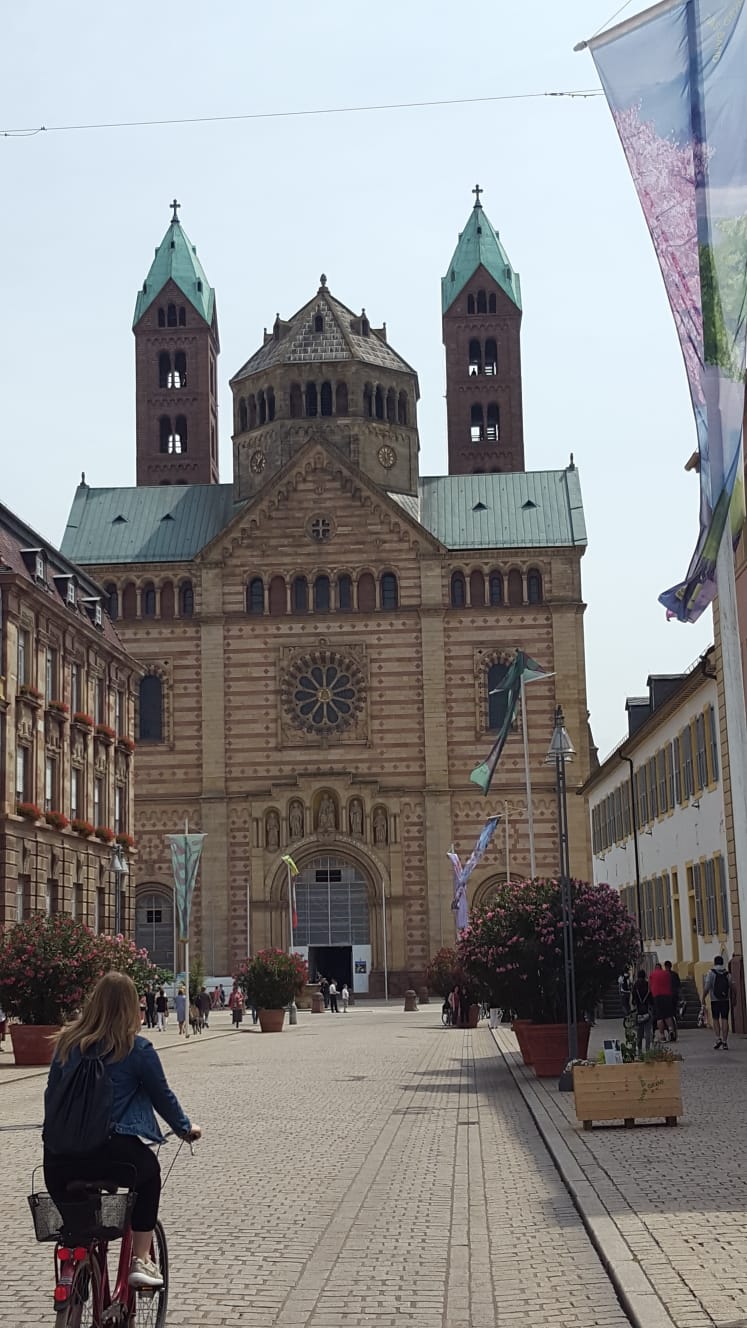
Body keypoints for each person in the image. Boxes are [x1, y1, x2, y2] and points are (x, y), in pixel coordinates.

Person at [43, 972, 201, 1291]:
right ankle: (141, 1258)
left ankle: (77, 1266)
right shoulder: (137, 1049)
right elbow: (162, 1097)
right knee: (149, 1174)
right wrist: (185, 1128)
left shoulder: (65, 1044)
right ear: (132, 1008)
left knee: (77, 1225)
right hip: (112, 1154)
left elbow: (51, 1097)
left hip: (58, 1159)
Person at [702, 955, 732, 1049]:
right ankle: (725, 1042)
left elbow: (707, 987)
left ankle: (718, 1038)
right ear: (722, 962)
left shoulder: (711, 972)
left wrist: (703, 997)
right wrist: (734, 997)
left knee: (715, 1019)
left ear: (714, 962)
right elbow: (732, 986)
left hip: (714, 1000)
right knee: (725, 1019)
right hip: (725, 999)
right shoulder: (727, 973)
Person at [648, 962, 676, 1042]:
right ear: (661, 967)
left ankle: (662, 1035)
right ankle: (671, 1030)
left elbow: (649, 987)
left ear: (655, 968)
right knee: (668, 1015)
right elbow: (670, 984)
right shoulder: (667, 973)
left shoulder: (652, 974)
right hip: (667, 996)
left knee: (659, 1017)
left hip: (657, 996)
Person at [631, 969, 653, 1057]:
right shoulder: (648, 986)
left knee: (639, 1032)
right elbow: (651, 1000)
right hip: (647, 1011)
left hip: (639, 1012)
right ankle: (647, 1049)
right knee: (648, 1032)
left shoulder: (635, 986)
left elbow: (633, 1001)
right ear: (645, 976)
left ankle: (639, 1050)